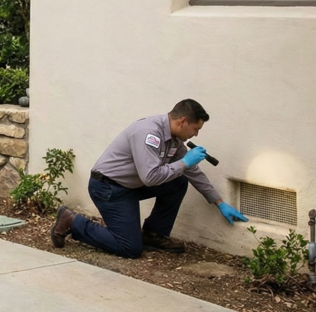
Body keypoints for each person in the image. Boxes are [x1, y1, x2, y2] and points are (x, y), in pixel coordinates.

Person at [50, 98, 247, 257]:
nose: (195, 134)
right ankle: (72, 222)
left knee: (178, 181)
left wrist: (219, 202)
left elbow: (191, 172)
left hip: (129, 187)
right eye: (196, 129)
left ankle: (154, 235)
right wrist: (185, 162)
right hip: (108, 188)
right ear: (183, 122)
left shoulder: (174, 140)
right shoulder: (149, 133)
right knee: (129, 248)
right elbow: (151, 178)